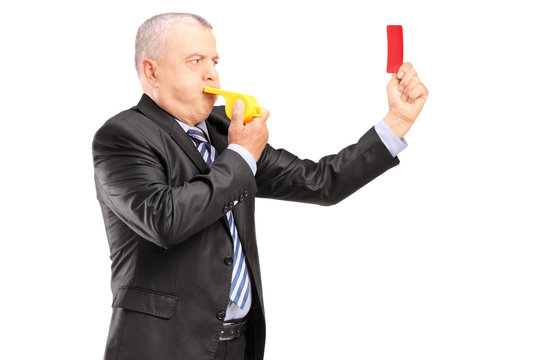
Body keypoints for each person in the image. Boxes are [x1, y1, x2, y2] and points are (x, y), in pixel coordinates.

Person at [92, 12, 428, 360]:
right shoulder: (123, 136)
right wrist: (240, 154)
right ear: (151, 71)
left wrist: (396, 123)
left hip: (238, 344)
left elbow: (321, 183)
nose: (212, 73)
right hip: (160, 348)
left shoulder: (225, 130)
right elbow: (164, 220)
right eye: (195, 61)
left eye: (214, 61)